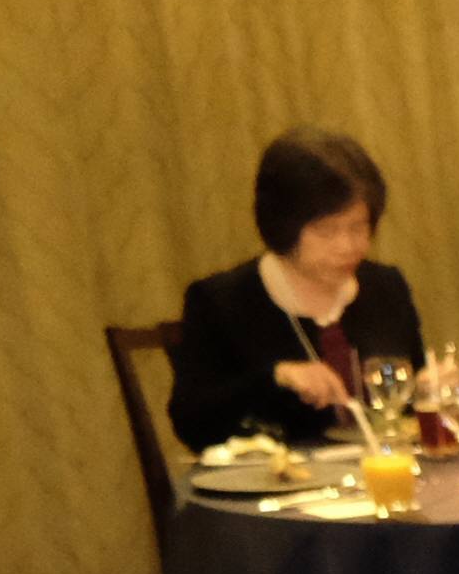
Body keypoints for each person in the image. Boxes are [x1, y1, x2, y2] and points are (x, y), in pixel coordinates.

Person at [169, 129, 425, 449]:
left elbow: (408, 404)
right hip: (277, 478)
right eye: (326, 231)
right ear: (283, 225)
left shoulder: (384, 287)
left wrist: (429, 390)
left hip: (387, 470)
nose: (347, 246)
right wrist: (277, 376)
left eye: (358, 227)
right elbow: (192, 425)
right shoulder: (221, 302)